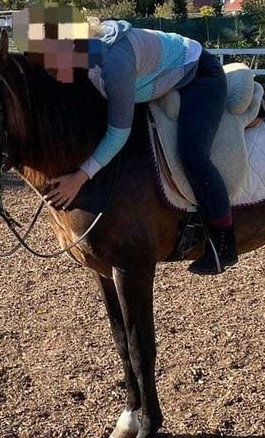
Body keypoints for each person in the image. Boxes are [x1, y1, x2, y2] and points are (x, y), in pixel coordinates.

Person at [44, 19, 237, 275]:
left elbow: (118, 134)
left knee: (192, 152)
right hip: (154, 71)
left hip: (200, 76)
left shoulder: (115, 65)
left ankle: (223, 242)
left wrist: (80, 177)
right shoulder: (83, 54)